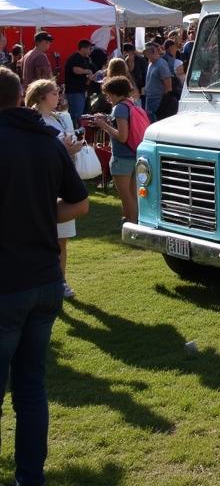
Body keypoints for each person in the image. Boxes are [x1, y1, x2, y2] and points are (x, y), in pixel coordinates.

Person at [0, 66, 89, 486]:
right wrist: (36, 216)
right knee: (31, 389)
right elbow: (78, 205)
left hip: (10, 284)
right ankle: (29, 478)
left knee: (25, 389)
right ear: (21, 97)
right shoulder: (47, 141)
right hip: (44, 280)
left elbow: (79, 204)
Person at [25, 79, 84, 299]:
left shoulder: (59, 118)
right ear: (42, 97)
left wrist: (73, 148)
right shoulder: (32, 120)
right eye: (54, 93)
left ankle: (60, 282)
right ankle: (42, 283)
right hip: (43, 184)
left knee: (62, 239)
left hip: (62, 181)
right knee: (42, 239)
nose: (58, 96)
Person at [91, 75, 143, 224]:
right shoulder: (131, 104)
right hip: (134, 153)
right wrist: (108, 118)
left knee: (125, 195)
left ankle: (132, 224)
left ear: (114, 93)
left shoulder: (119, 108)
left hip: (122, 157)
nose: (108, 99)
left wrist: (104, 126)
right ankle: (130, 220)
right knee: (133, 194)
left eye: (108, 95)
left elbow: (122, 136)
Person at [62, 39, 95, 128]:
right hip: (74, 91)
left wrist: (90, 78)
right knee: (76, 115)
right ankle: (74, 132)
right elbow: (75, 70)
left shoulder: (86, 59)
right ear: (83, 48)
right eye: (89, 48)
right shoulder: (75, 57)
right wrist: (86, 71)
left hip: (81, 91)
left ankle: (78, 131)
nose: (90, 51)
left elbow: (85, 75)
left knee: (80, 115)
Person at [142, 41, 172, 120]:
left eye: (148, 51)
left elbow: (168, 87)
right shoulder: (150, 63)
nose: (146, 54)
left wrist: (162, 104)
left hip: (158, 101)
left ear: (154, 51)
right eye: (145, 52)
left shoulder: (161, 64)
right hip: (149, 100)